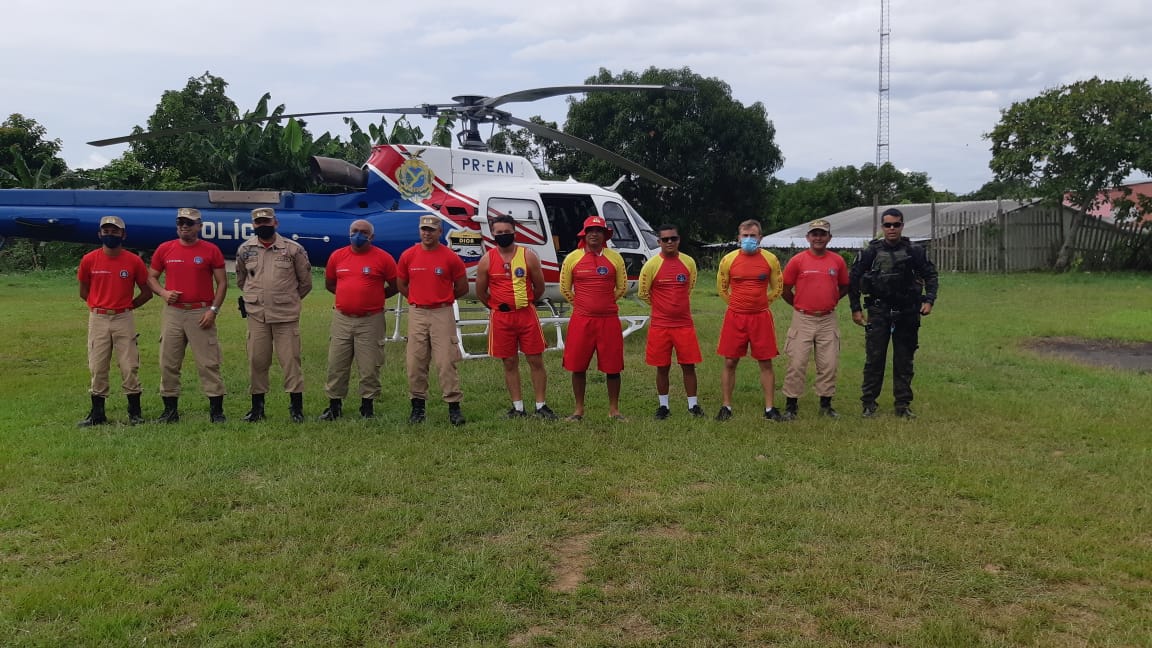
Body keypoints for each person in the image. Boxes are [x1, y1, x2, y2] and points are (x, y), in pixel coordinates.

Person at [849, 207, 939, 419]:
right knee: (874, 359)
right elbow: (853, 279)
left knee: (904, 359)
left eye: (896, 224)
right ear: (882, 227)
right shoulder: (870, 252)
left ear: (902, 225)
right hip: (879, 310)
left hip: (907, 311)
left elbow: (931, 275)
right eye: (887, 225)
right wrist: (855, 308)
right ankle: (869, 403)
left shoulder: (914, 251)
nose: (892, 229)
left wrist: (929, 300)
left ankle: (903, 405)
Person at [147, 207, 229, 423]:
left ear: (199, 226)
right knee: (168, 362)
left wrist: (213, 310)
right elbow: (151, 277)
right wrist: (164, 292)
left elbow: (222, 283)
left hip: (201, 312)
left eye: (189, 223)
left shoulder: (210, 250)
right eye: (180, 222)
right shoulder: (165, 249)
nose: (184, 226)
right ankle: (170, 411)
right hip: (174, 313)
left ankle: (216, 411)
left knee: (208, 362)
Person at [235, 207, 313, 423]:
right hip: (257, 316)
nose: (263, 225)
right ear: (254, 225)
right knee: (257, 360)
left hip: (285, 316)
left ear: (275, 223)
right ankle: (257, 409)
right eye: (259, 222)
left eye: (267, 221)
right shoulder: (245, 249)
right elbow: (242, 280)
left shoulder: (292, 249)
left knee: (290, 361)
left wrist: (286, 299)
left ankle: (296, 409)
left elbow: (305, 283)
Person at [475, 214, 557, 419]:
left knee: (535, 360)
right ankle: (518, 407)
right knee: (509, 362)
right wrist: (497, 306)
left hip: (526, 315)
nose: (503, 235)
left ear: (514, 232)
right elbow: (481, 293)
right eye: (499, 233)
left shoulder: (528, 256)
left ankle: (541, 406)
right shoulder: (487, 260)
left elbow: (539, 287)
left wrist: (524, 302)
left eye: (507, 232)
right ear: (492, 234)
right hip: (502, 318)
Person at [76, 215, 153, 426]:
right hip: (99, 317)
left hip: (123, 317)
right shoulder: (89, 260)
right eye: (106, 231)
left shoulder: (133, 261)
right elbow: (84, 291)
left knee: (129, 365)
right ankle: (97, 414)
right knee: (98, 365)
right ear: (100, 234)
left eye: (115, 231)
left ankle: (135, 413)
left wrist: (129, 306)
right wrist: (97, 304)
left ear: (123, 234)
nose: (110, 234)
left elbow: (146, 292)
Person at [319, 219, 398, 421]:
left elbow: (395, 285)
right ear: (349, 233)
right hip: (342, 319)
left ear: (372, 236)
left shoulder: (384, 258)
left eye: (364, 232)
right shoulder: (338, 256)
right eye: (355, 231)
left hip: (371, 320)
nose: (358, 234)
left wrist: (374, 298)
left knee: (369, 365)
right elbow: (330, 284)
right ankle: (334, 406)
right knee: (337, 363)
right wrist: (349, 298)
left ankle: (367, 406)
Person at [397, 214, 469, 426]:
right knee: (415, 361)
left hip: (442, 312)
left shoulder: (450, 257)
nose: (427, 233)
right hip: (417, 312)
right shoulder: (409, 255)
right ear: (419, 231)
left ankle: (453, 406)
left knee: (446, 361)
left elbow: (462, 287)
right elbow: (401, 283)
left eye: (431, 230)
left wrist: (443, 299)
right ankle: (417, 407)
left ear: (439, 232)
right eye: (423, 229)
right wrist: (415, 298)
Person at [559, 215, 628, 421]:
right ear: (584, 234)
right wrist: (583, 305)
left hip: (608, 320)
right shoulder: (572, 258)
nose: (594, 234)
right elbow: (565, 288)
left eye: (598, 231)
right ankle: (579, 410)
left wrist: (603, 303)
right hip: (582, 319)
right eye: (590, 231)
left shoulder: (615, 258)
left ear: (605, 235)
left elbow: (621, 287)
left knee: (613, 366)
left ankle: (614, 410)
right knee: (578, 365)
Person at [715, 219, 785, 421]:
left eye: (752, 236)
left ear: (760, 237)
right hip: (735, 316)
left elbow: (777, 288)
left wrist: (761, 303)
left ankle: (769, 408)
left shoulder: (770, 260)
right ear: (738, 238)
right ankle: (726, 406)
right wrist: (738, 304)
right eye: (744, 236)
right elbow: (722, 288)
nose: (748, 239)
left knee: (765, 361)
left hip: (760, 317)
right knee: (730, 361)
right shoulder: (728, 260)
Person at [780, 218, 849, 420]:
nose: (818, 237)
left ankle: (826, 404)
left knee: (829, 363)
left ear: (829, 237)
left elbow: (845, 285)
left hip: (828, 319)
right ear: (808, 237)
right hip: (803, 318)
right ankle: (791, 405)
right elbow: (784, 288)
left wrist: (833, 299)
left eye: (822, 234)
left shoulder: (837, 261)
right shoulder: (798, 261)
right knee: (797, 362)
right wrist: (798, 304)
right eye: (814, 234)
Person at [636, 223, 705, 420]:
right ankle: (663, 406)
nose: (669, 242)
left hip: (684, 324)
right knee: (662, 366)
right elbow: (643, 293)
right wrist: (661, 307)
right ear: (658, 242)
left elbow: (689, 287)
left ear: (678, 240)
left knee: (688, 365)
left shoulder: (689, 262)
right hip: (660, 325)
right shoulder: (651, 265)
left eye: (673, 238)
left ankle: (693, 405)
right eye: (665, 239)